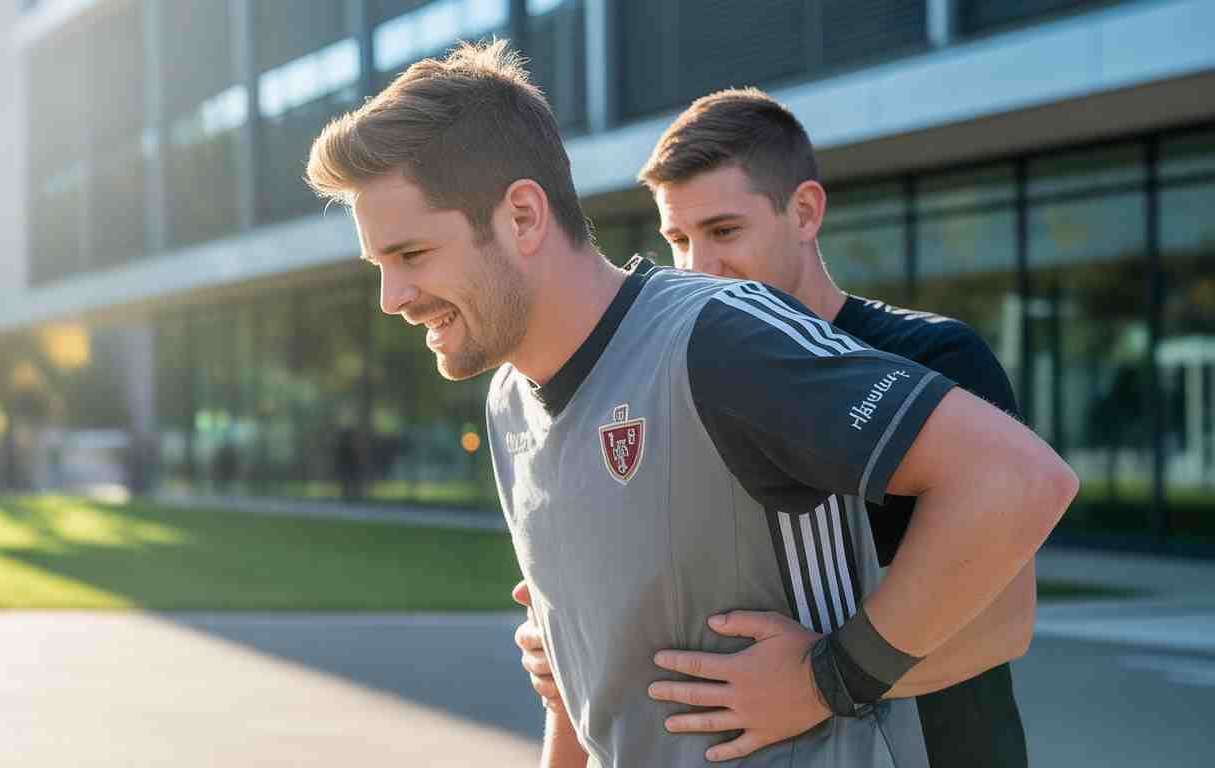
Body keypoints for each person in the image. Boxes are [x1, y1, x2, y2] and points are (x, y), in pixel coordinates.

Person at [306, 42, 1078, 767]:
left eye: (411, 254)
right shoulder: (509, 401)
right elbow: (582, 692)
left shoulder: (721, 336)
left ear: (523, 216)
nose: (391, 297)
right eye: (380, 264)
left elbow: (1017, 482)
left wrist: (827, 678)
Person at [512, 88, 1035, 766]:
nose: (698, 267)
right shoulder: (680, 377)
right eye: (678, 240)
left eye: (725, 232)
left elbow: (1004, 624)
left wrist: (822, 683)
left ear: (805, 212)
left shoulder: (933, 357)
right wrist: (579, 645)